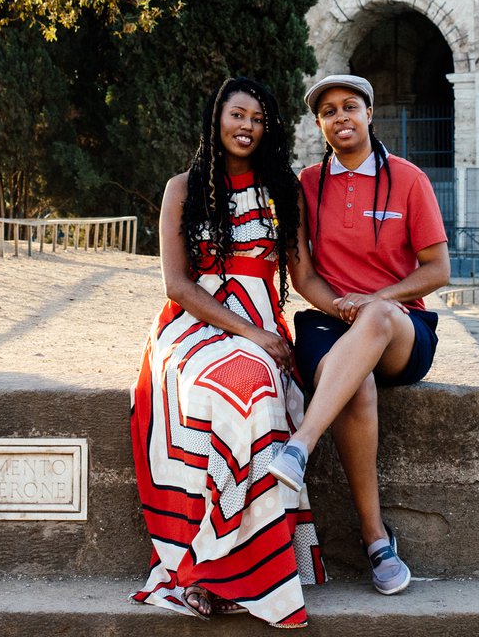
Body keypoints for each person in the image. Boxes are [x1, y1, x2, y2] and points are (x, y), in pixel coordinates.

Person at [131, 77, 326, 627]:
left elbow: (303, 276)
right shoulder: (182, 188)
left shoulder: (282, 189)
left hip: (263, 326)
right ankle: (213, 568)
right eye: (237, 115)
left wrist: (351, 309)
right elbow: (177, 284)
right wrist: (252, 334)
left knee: (257, 391)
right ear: (216, 119)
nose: (246, 126)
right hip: (191, 328)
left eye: (257, 119)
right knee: (229, 392)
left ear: (270, 128)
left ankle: (230, 567)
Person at [268, 74, 451, 597]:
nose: (340, 117)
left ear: (370, 114)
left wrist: (376, 300)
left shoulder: (410, 179)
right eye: (328, 111)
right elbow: (303, 276)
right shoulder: (305, 184)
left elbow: (438, 269)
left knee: (376, 317)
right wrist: (342, 307)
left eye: (350, 107)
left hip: (401, 328)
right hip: (329, 323)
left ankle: (300, 445)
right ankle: (377, 541)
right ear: (320, 124)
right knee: (358, 387)